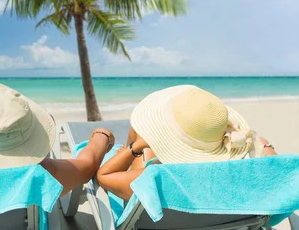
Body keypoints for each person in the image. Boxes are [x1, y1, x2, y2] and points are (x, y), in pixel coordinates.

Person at [96, 85, 277, 201]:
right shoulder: (243, 175)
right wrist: (266, 146)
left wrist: (134, 148)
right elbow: (277, 169)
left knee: (137, 133)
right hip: (223, 218)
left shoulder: (156, 178)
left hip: (164, 201)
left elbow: (104, 176)